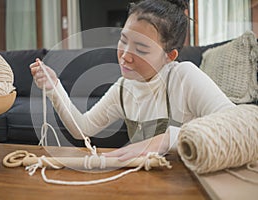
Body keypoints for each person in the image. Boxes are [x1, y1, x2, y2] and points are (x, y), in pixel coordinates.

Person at [30, 0, 235, 161]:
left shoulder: (183, 77)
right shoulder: (123, 89)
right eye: (123, 41)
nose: (125, 56)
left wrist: (167, 139)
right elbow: (82, 129)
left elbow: (236, 124)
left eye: (141, 49)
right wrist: (53, 88)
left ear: (169, 56)